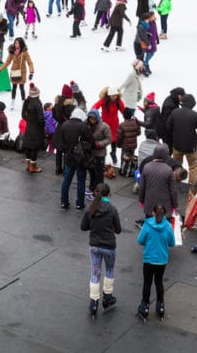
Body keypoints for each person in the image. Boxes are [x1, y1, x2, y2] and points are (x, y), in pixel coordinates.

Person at [80, 182, 122, 318]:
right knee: (109, 270)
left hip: (94, 246)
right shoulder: (112, 209)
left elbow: (83, 227)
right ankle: (108, 297)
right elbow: (118, 229)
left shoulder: (90, 209)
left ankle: (93, 302)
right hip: (109, 246)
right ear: (109, 194)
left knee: (95, 273)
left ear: (94, 193)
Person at [136, 203, 175, 322]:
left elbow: (140, 240)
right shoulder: (168, 226)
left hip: (149, 259)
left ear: (153, 212)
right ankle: (160, 306)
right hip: (161, 260)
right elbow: (172, 243)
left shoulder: (147, 224)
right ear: (165, 214)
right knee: (159, 282)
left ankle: (145, 306)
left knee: (147, 283)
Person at [56, 108, 96, 210]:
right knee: (81, 181)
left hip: (69, 157)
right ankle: (79, 204)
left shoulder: (64, 125)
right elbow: (92, 142)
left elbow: (62, 141)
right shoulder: (83, 126)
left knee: (66, 180)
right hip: (81, 158)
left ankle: (64, 203)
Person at [167, 93, 197, 187]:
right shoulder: (196, 115)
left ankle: (174, 184)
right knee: (193, 167)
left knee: (176, 165)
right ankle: (191, 188)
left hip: (177, 145)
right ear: (192, 104)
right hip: (191, 147)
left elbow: (168, 126)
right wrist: (196, 139)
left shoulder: (174, 112)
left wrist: (174, 135)